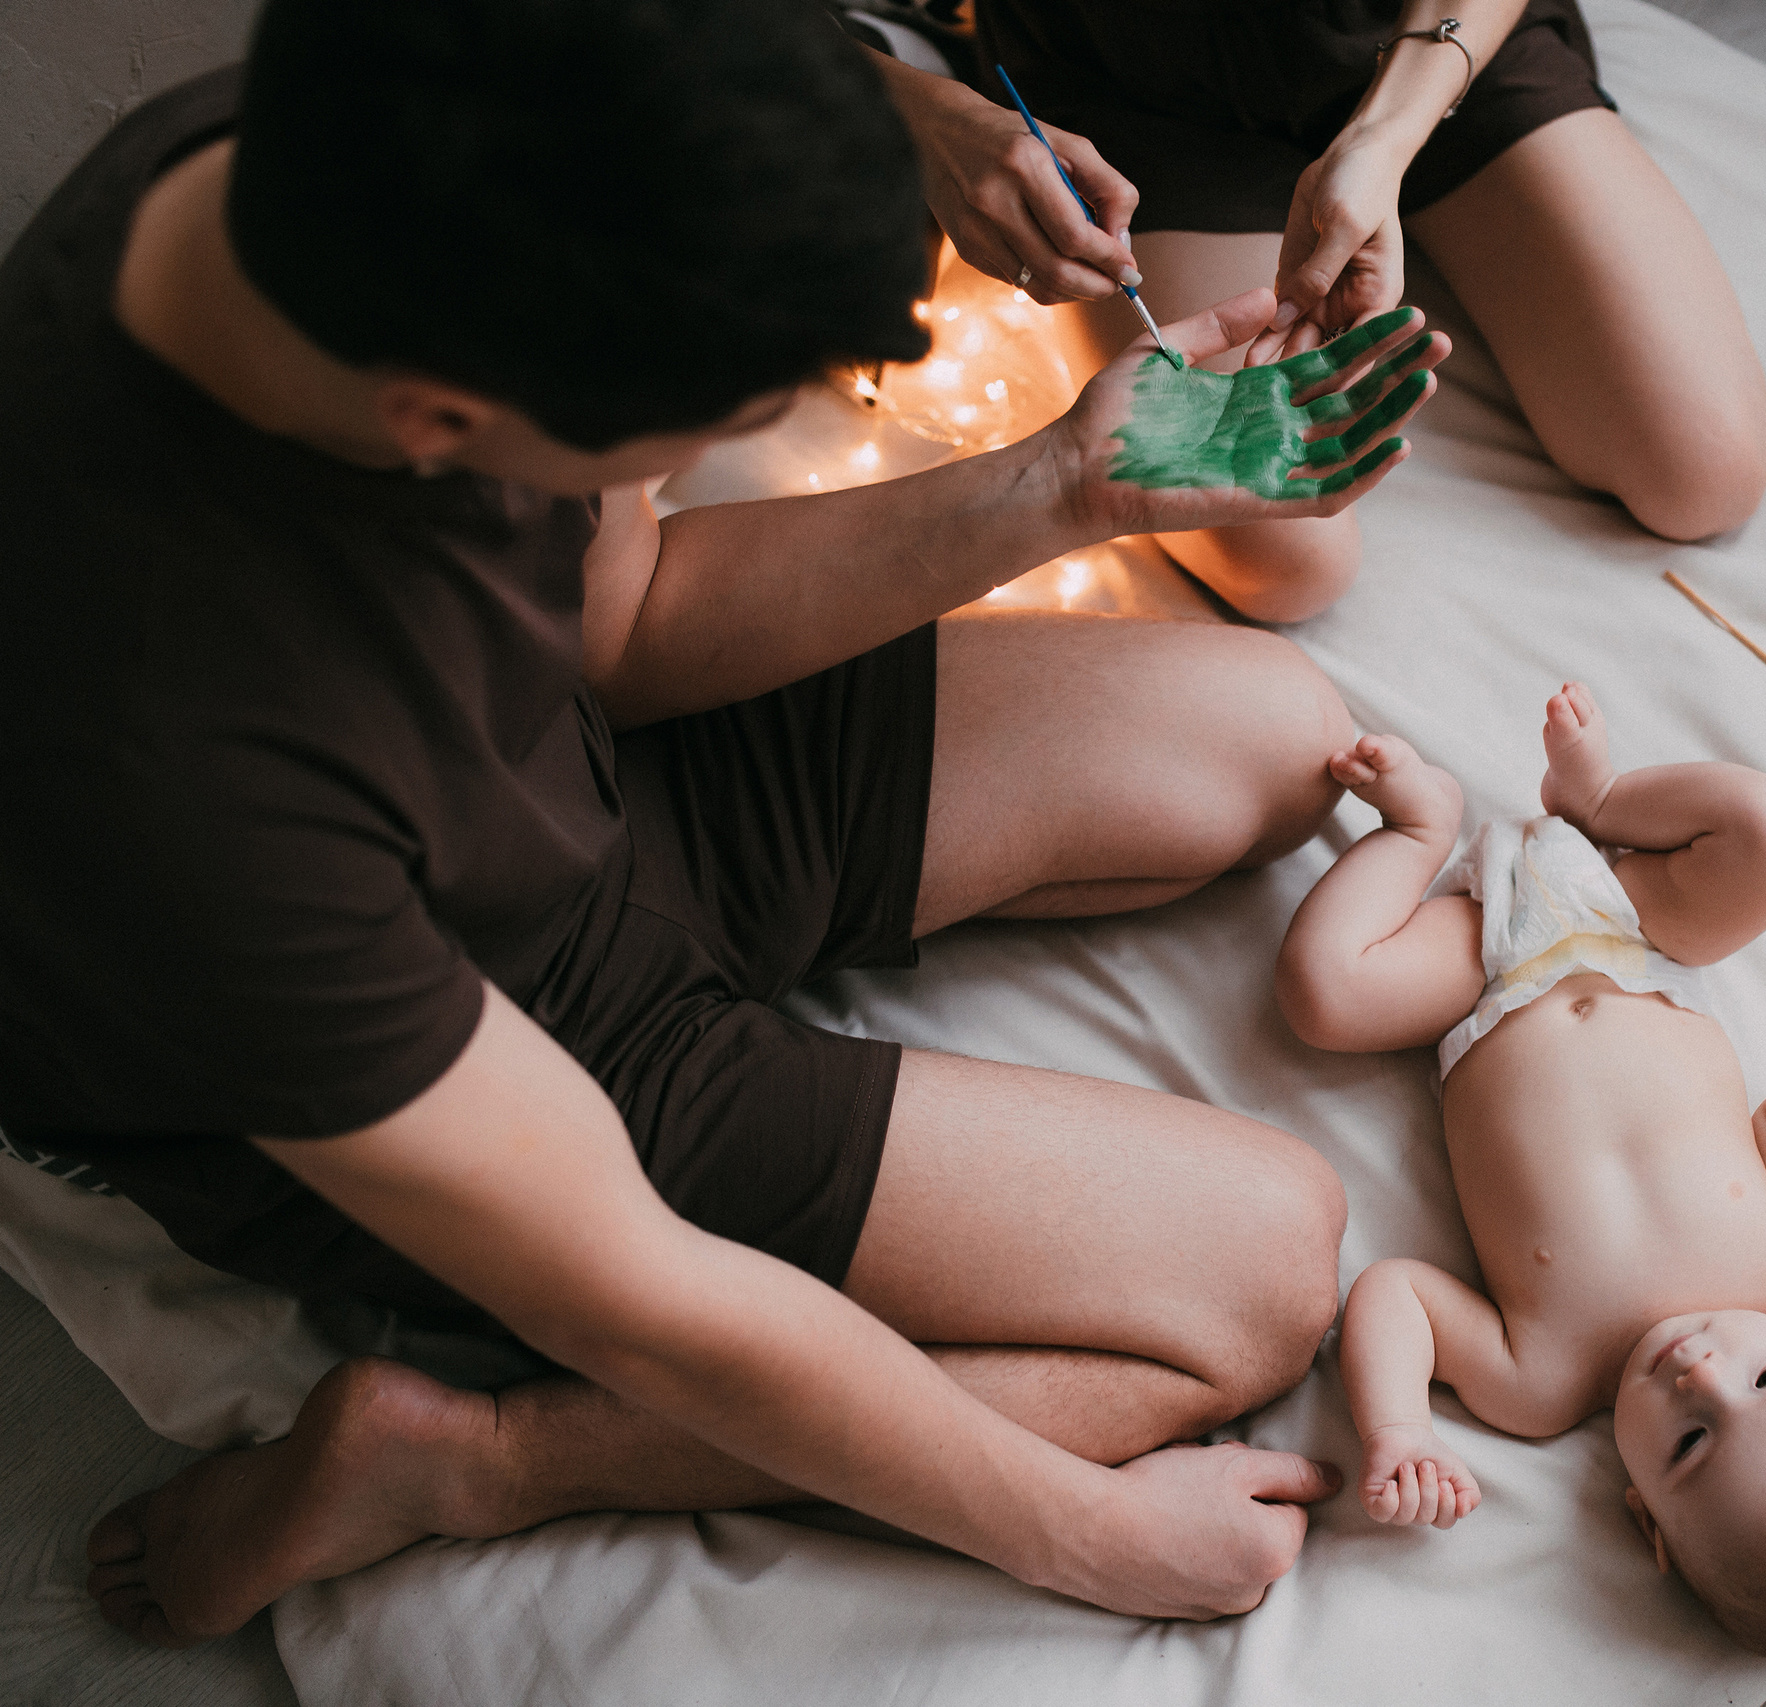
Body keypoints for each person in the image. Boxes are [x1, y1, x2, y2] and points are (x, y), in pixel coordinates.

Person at [0, 0, 1454, 1646]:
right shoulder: (175, 788)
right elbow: (641, 1294)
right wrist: (1093, 1534)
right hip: (486, 1035)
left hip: (575, 791)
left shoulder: (375, 148)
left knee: (1278, 737)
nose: (713, 460)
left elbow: (624, 626)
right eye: (684, 434)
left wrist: (1072, 482)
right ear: (442, 426)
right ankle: (466, 1457)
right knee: (1262, 1275)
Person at [1272, 684, 1766, 1662]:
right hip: (1639, 934)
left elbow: (1398, 1296)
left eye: (1689, 1443)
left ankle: (1417, 826)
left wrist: (1398, 1428)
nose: (1701, 1373)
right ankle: (1602, 798)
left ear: (1646, 1517)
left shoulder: (1539, 1384)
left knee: (1322, 991)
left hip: (1478, 976)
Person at [859, 0, 1766, 622]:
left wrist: (1384, 140)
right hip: (1122, 71)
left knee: (1705, 467)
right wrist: (927, 117)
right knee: (1285, 559)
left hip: (1422, 35)